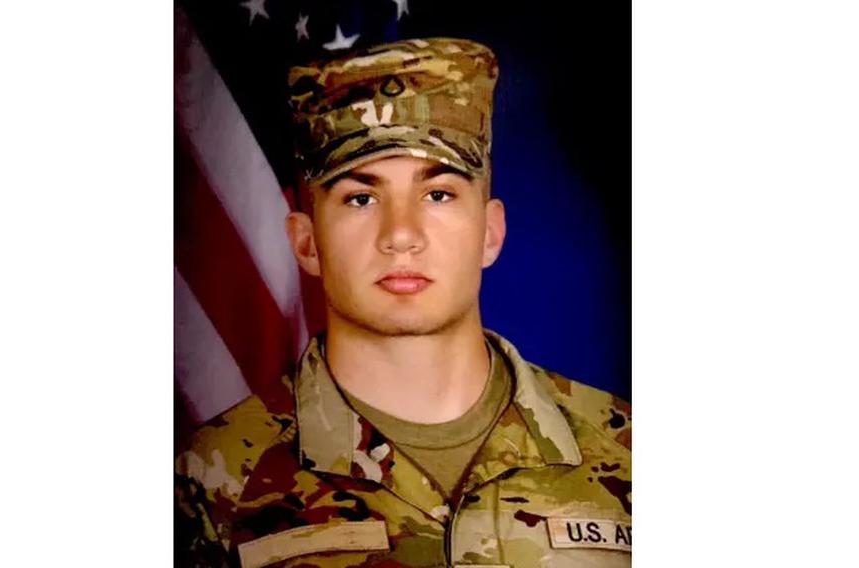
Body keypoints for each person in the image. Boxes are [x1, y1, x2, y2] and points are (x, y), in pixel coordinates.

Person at [175, 37, 631, 568]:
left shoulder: (628, 452)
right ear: (306, 242)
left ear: (491, 231)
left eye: (438, 194)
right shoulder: (209, 482)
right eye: (361, 198)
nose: (401, 235)